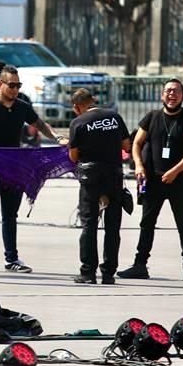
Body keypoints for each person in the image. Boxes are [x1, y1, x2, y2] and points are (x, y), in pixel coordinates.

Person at [0, 64, 62, 273]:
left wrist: (57, 137)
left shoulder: (21, 107)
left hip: (14, 169)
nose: (15, 89)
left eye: (18, 85)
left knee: (10, 216)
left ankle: (11, 258)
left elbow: (39, 124)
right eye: (11, 85)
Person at [118, 78, 183, 282]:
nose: (172, 95)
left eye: (176, 91)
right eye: (168, 91)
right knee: (147, 223)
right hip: (153, 181)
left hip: (178, 181)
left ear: (182, 95)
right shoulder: (152, 117)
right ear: (162, 95)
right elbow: (136, 144)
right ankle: (140, 265)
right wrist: (138, 165)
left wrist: (175, 171)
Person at [68, 88, 130, 284]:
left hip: (90, 177)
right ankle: (109, 273)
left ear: (77, 107)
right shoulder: (114, 117)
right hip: (113, 175)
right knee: (112, 226)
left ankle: (87, 272)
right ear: (93, 100)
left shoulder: (78, 122)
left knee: (89, 223)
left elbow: (73, 156)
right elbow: (126, 146)